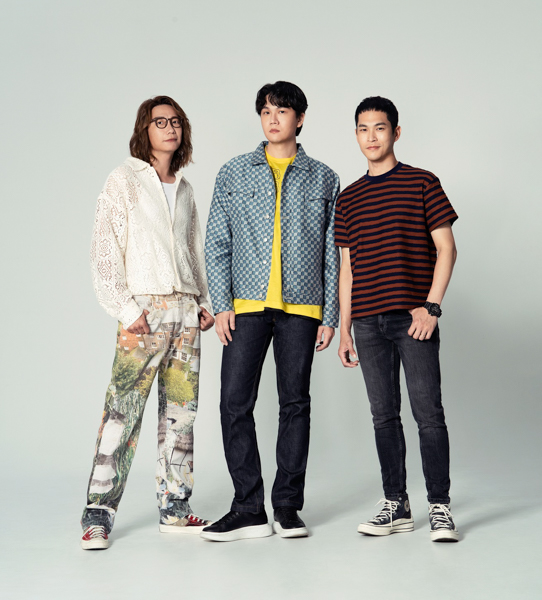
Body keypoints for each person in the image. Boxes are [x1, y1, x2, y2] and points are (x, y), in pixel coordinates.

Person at [202, 81, 340, 541]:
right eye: (265, 111)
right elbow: (217, 243)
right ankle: (248, 508)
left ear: (300, 118)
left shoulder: (324, 178)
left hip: (302, 306)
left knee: (294, 403)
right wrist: (222, 304)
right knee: (233, 403)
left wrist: (330, 315)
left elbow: (332, 252)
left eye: (282, 110)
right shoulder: (233, 172)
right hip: (245, 305)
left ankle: (286, 507)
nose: (273, 118)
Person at [81, 95, 215, 550]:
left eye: (176, 121)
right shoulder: (123, 180)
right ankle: (98, 514)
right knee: (122, 412)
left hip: (185, 312)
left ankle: (175, 508)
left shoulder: (186, 188)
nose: (170, 128)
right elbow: (104, 249)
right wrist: (126, 308)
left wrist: (203, 300)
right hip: (145, 311)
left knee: (181, 414)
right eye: (160, 122)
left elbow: (193, 249)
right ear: (145, 129)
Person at [336, 96, 459, 542]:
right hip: (367, 323)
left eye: (380, 128)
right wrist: (345, 329)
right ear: (356, 135)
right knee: (383, 416)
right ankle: (397, 504)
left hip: (413, 319)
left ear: (396, 132)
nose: (371, 137)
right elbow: (347, 270)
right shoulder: (348, 198)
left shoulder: (423, 182)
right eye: (363, 128)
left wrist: (432, 306)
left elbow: (447, 248)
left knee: (428, 414)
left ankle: (440, 506)